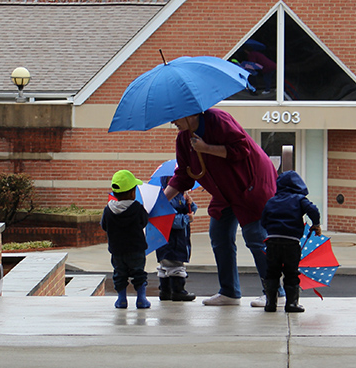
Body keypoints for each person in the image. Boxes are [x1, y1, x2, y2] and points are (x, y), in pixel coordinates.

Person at [163, 108, 277, 306]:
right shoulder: (183, 139)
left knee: (256, 238)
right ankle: (229, 292)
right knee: (219, 235)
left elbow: (242, 149)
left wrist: (206, 148)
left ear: (191, 113)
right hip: (224, 192)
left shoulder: (218, 120)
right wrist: (160, 203)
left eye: (176, 116)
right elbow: (183, 175)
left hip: (250, 186)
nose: (173, 121)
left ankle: (275, 293)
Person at [260, 170, 322, 313]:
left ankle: (270, 304)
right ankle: (292, 304)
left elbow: (264, 220)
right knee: (291, 272)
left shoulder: (271, 201)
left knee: (272, 272)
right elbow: (313, 210)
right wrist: (316, 224)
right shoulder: (299, 199)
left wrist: (273, 229)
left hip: (272, 242)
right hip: (291, 243)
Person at [101, 169, 151, 309]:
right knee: (138, 273)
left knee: (119, 273)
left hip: (117, 250)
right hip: (136, 249)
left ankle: (121, 300)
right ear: (132, 192)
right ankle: (141, 299)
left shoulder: (108, 210)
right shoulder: (137, 208)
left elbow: (104, 226)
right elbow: (144, 222)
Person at [156, 184, 197, 302]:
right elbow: (170, 220)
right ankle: (178, 291)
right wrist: (187, 219)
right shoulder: (166, 198)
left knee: (166, 266)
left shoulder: (180, 197)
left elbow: (190, 210)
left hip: (176, 240)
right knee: (175, 265)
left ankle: (166, 291)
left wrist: (190, 204)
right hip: (172, 240)